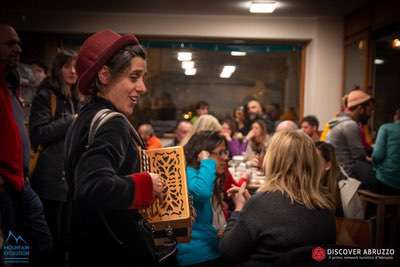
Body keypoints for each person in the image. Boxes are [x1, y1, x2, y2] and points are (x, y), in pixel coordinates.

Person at [64, 29, 165, 267]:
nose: (142, 87)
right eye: (134, 77)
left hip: (87, 246)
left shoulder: (85, 116)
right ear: (105, 75)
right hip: (112, 250)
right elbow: (93, 186)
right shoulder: (113, 124)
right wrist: (146, 184)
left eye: (143, 77)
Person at [220, 131, 336, 266]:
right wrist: (252, 207)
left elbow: (228, 253)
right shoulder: (326, 206)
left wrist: (239, 210)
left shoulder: (262, 204)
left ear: (274, 159)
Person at [0, 24, 52, 265]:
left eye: (19, 43)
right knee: (15, 248)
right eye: (10, 44)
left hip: (20, 179)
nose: (17, 49)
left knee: (39, 241)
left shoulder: (10, 85)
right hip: (5, 184)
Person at [29, 49, 80, 266]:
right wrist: (70, 120)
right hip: (49, 179)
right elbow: (38, 133)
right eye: (67, 66)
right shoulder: (46, 95)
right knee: (49, 240)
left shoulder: (75, 97)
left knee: (65, 240)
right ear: (57, 69)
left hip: (67, 180)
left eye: (76, 66)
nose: (72, 71)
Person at [177, 131, 229, 266]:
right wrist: (207, 162)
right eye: (220, 153)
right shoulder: (188, 172)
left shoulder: (201, 173)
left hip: (207, 246)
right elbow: (202, 192)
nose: (225, 158)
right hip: (195, 253)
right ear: (202, 154)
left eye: (226, 152)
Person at [326, 89, 375, 188]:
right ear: (361, 109)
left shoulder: (339, 122)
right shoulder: (350, 125)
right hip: (347, 177)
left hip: (337, 174)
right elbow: (359, 156)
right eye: (369, 110)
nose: (370, 115)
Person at [372, 108, 400, 195]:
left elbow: (378, 156)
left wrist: (372, 160)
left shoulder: (386, 128)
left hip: (386, 182)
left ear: (396, 116)